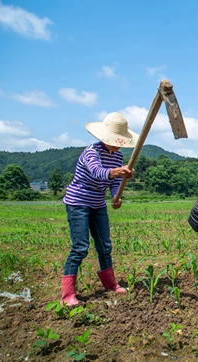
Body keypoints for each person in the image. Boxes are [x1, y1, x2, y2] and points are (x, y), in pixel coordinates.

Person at [61, 112, 138, 306]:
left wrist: (115, 196)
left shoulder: (118, 156)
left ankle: (111, 284)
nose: (119, 144)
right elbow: (98, 173)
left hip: (98, 204)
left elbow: (114, 182)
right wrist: (117, 172)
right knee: (80, 247)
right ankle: (68, 294)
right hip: (78, 202)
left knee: (105, 246)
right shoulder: (91, 152)